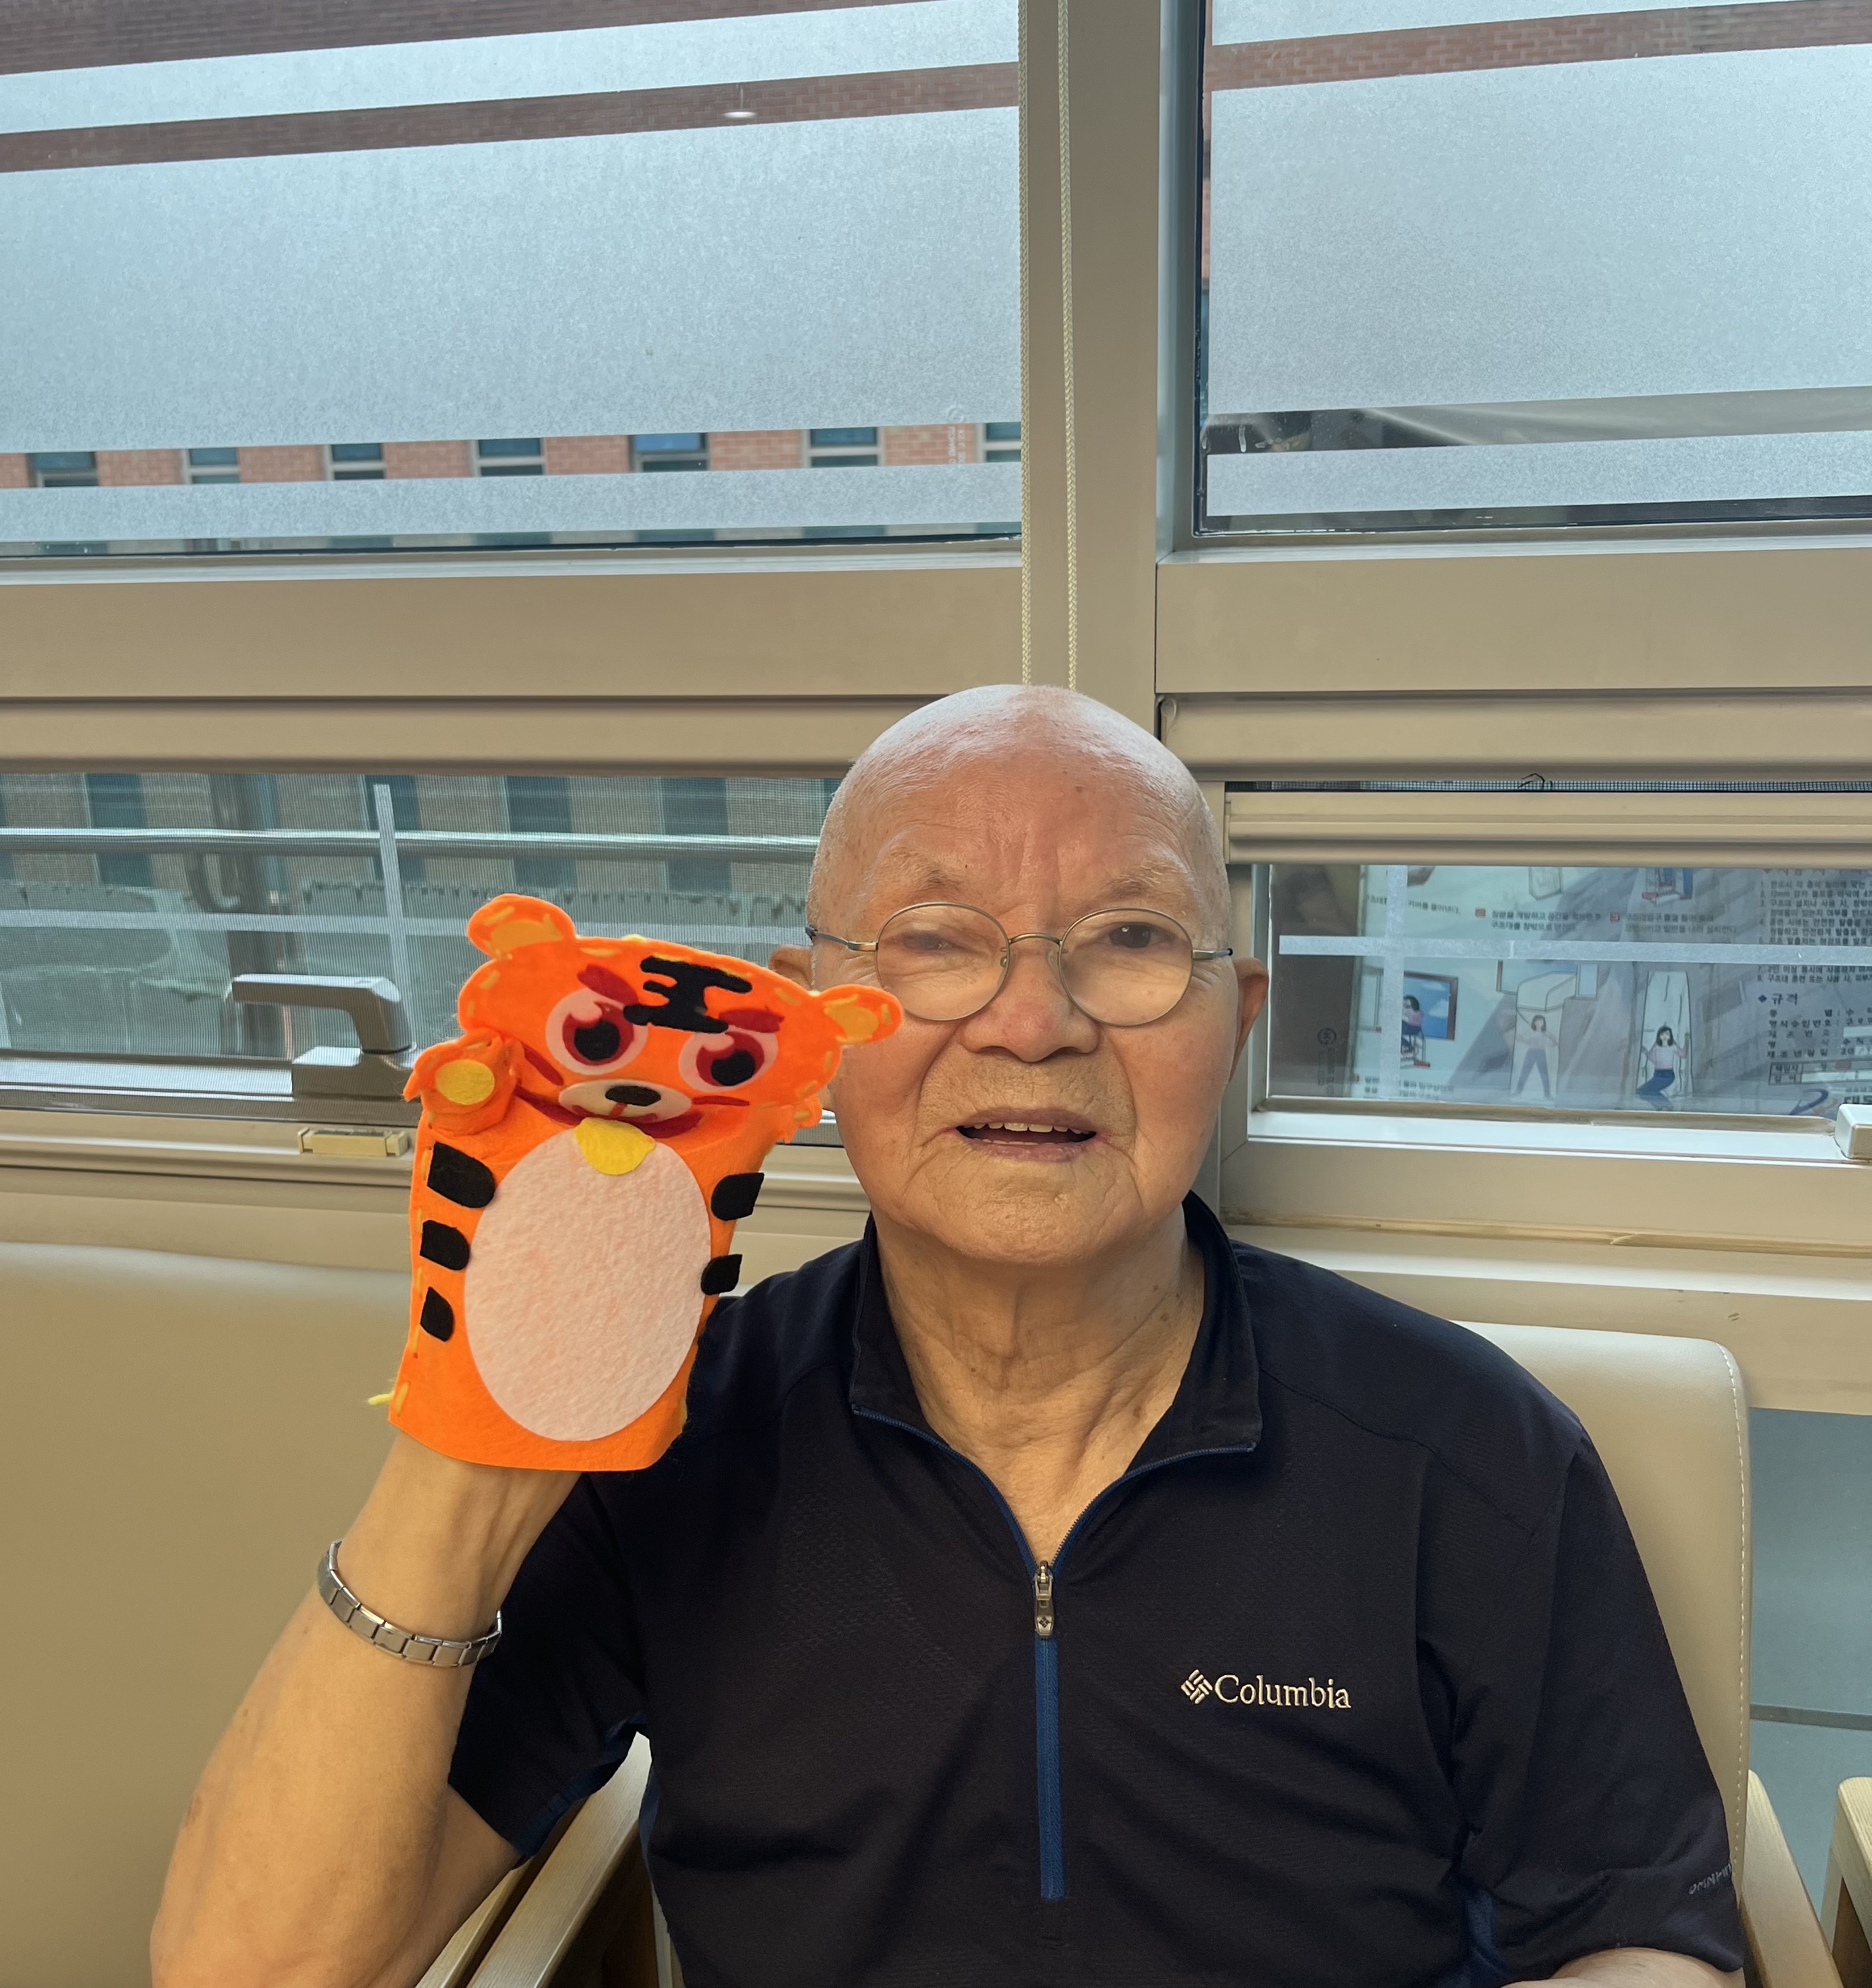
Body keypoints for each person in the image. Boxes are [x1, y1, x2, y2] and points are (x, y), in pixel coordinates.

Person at [153, 688, 1743, 1988]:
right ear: (805, 1023)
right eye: (933, 936)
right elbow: (251, 1970)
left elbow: (1643, 1938)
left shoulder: (1459, 1447)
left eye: (1130, 938)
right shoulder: (679, 1442)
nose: (1033, 1022)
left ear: (1237, 1018)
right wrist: (472, 1453)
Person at [1639, 1023, 1682, 1107]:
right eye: (1662, 1034)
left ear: (1670, 1036)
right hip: (1658, 1074)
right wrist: (1645, 1051)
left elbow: (1683, 1055)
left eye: (1667, 1034)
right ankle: (1662, 1106)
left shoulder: (1673, 1046)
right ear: (1659, 1036)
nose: (1665, 1036)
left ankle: (1665, 1105)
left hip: (1668, 1075)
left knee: (1647, 1092)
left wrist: (1687, 1042)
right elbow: (1653, 1060)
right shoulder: (1656, 1046)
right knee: (1642, 1092)